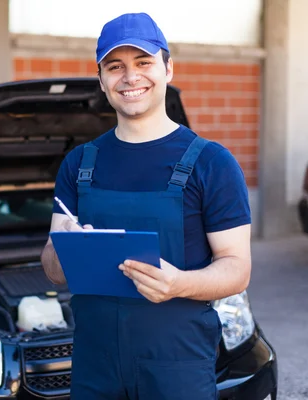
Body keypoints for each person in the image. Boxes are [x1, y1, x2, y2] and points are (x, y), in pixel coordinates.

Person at [40, 12, 252, 400]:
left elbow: (237, 269)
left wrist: (180, 283)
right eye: (115, 66)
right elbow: (54, 272)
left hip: (178, 366)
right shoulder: (79, 163)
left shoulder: (211, 163)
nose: (130, 77)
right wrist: (63, 247)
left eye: (143, 62)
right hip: (94, 364)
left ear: (168, 68)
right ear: (102, 79)